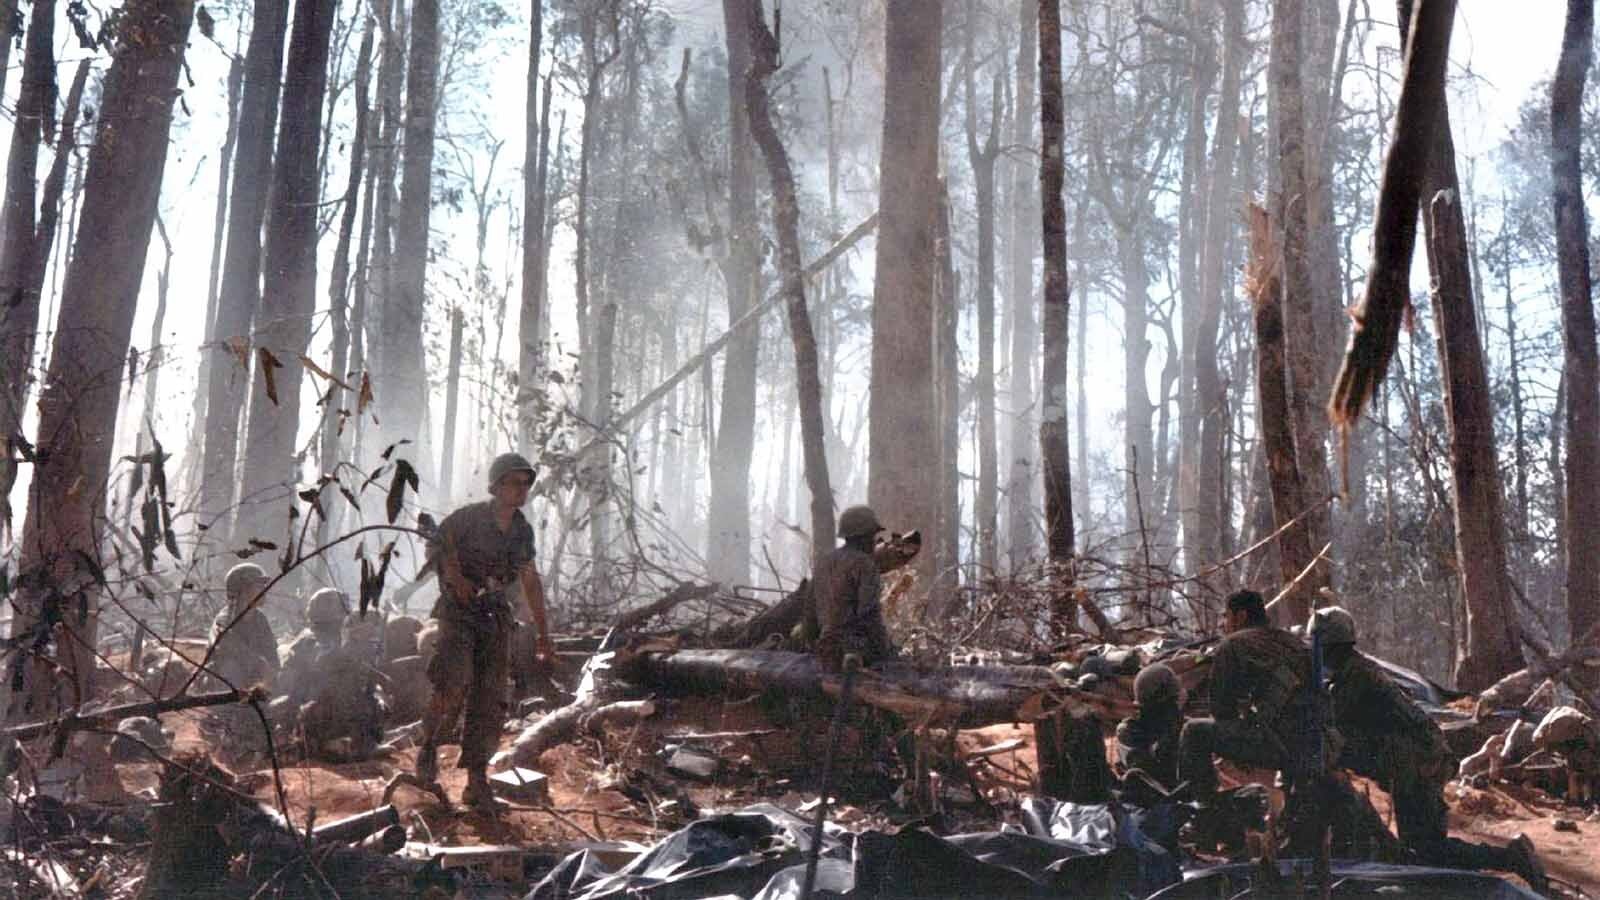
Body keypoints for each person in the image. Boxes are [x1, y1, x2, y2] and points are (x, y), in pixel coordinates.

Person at [1310, 606, 1547, 893]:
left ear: (1329, 647)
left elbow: (1332, 725)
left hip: (1420, 764)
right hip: (1413, 762)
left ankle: (1512, 857)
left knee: (1427, 850)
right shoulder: (1352, 673)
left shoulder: (1355, 678)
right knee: (1421, 848)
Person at [414, 452, 554, 810]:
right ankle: (428, 747)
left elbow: (530, 580)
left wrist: (543, 633)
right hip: (458, 613)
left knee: (490, 697)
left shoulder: (521, 530)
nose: (521, 489)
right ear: (496, 487)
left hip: (494, 615)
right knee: (453, 680)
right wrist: (454, 576)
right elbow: (437, 542)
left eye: (526, 483)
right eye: (513, 482)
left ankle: (477, 781)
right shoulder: (469, 518)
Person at [1178, 589, 1318, 799]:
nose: (1224, 623)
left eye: (1226, 616)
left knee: (1193, 732)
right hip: (1314, 743)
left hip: (1276, 745)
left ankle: (1203, 810)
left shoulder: (1233, 644)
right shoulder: (1294, 642)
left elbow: (1221, 710)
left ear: (1241, 616)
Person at [812, 505, 896, 673]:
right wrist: (887, 654)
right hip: (853, 653)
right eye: (873, 535)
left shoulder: (824, 562)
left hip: (824, 651)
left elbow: (809, 612)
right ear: (863, 536)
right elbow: (869, 615)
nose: (874, 541)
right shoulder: (865, 565)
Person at [298, 612, 385, 761]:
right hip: (327, 723)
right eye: (361, 634)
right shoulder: (332, 659)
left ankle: (362, 745)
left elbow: (367, 694)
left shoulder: (368, 661)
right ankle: (335, 747)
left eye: (370, 635)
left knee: (376, 702)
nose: (366, 641)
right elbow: (331, 698)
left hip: (351, 721)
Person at [209, 563, 280, 691]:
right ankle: (230, 709)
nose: (264, 590)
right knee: (231, 666)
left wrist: (273, 673)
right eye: (259, 585)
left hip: (255, 680)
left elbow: (272, 654)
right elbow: (228, 647)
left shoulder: (260, 619)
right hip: (228, 683)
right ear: (243, 589)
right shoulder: (225, 619)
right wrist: (260, 664)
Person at [276, 588, 349, 707]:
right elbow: (288, 683)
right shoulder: (309, 642)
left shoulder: (338, 638)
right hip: (315, 706)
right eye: (341, 612)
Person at [1116, 663, 1182, 791]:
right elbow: (1152, 773)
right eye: (1173, 699)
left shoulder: (1159, 719)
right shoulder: (1129, 731)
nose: (1176, 703)